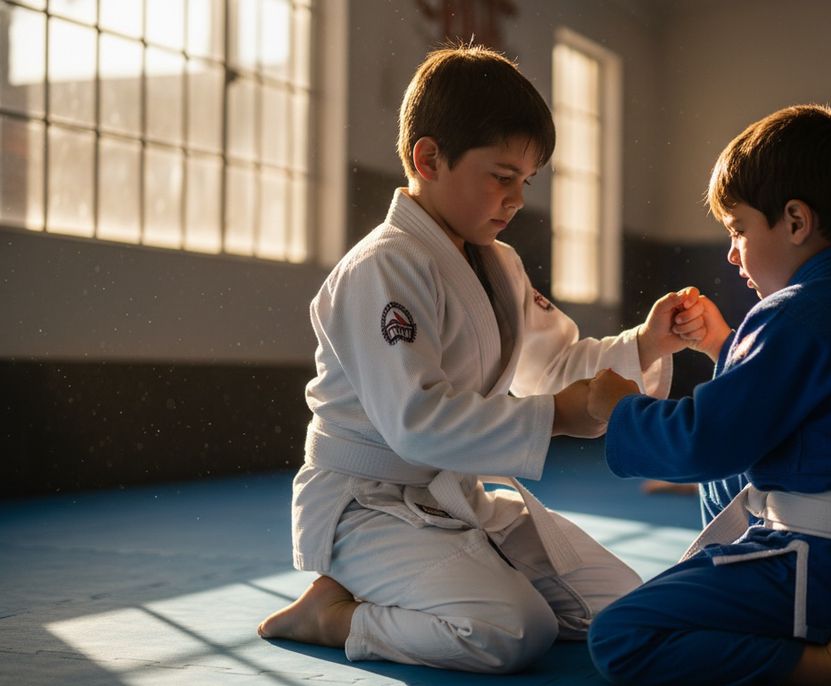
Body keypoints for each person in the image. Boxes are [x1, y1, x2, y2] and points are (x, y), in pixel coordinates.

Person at [256, 44, 694, 674]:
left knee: (628, 611)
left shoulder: (498, 262)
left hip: (455, 495)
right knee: (511, 631)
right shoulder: (383, 267)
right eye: (501, 176)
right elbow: (417, 421)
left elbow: (553, 363)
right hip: (367, 503)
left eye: (527, 182)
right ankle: (334, 614)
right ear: (428, 159)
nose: (517, 200)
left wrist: (647, 344)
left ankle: (417, 581)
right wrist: (557, 418)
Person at [585, 104, 831, 686]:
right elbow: (810, 399)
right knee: (737, 477)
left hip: (825, 569)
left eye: (738, 229)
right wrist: (724, 348)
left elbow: (705, 441)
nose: (732, 252)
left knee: (620, 636)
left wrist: (619, 411)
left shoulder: (791, 313)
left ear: (794, 221)